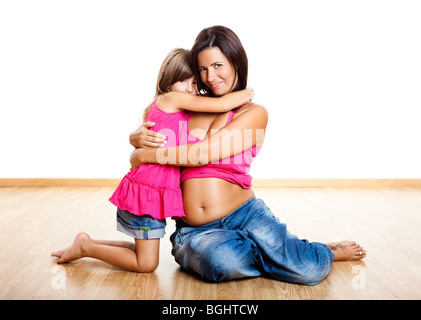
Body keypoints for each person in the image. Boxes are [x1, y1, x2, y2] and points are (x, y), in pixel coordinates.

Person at [129, 26, 366, 284]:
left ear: (236, 63)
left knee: (310, 272)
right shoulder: (190, 103)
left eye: (218, 65)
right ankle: (285, 253)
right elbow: (156, 129)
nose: (210, 76)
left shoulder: (254, 113)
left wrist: (143, 155)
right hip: (196, 230)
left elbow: (202, 154)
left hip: (246, 214)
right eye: (203, 69)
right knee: (220, 262)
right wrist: (135, 139)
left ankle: (310, 252)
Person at [51, 48, 254, 272]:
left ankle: (87, 243)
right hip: (147, 192)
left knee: (143, 251)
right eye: (183, 80)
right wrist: (248, 92)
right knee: (146, 264)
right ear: (168, 81)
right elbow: (221, 105)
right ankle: (86, 248)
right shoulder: (172, 98)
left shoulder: (182, 106)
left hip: (154, 193)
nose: (190, 88)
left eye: (195, 83)